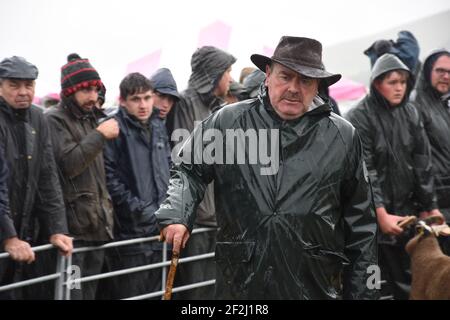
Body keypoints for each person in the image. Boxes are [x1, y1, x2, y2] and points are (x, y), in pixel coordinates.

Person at [156, 36, 378, 300]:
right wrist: (178, 214)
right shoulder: (228, 122)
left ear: (317, 85)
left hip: (314, 283)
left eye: (305, 80)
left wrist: (365, 295)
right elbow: (188, 168)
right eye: (286, 76)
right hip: (241, 284)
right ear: (268, 75)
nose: (294, 88)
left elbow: (362, 225)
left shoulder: (343, 136)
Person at [345, 53, 443, 300]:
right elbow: (366, 170)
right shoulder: (360, 116)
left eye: (403, 82)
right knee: (376, 285)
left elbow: (422, 161)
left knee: (411, 280)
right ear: (377, 83)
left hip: (407, 210)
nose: (399, 88)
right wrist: (379, 213)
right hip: (371, 217)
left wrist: (428, 206)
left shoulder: (411, 112)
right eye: (392, 82)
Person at [45, 53, 119, 300]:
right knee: (73, 295)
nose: (92, 96)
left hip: (97, 228)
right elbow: (69, 164)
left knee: (89, 294)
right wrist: (99, 135)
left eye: (95, 89)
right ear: (71, 91)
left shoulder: (91, 117)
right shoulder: (54, 119)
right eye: (86, 89)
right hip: (74, 234)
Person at [0, 56, 72, 299]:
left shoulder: (38, 118)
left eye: (29, 85)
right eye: (14, 85)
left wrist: (57, 229)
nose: (23, 92)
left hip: (25, 235)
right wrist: (8, 237)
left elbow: (47, 177)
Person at [168, 46, 236, 299]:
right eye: (227, 71)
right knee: (194, 294)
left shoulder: (218, 109)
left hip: (217, 219)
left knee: (214, 291)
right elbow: (183, 161)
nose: (230, 77)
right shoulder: (185, 104)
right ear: (214, 73)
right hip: (194, 221)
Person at [103, 73, 171, 299]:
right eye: (136, 99)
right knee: (131, 293)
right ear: (122, 101)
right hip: (130, 231)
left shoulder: (158, 125)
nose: (143, 105)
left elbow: (167, 169)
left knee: (156, 293)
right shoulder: (114, 128)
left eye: (147, 98)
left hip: (159, 228)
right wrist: (140, 209)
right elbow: (109, 178)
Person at [412, 49, 450, 254]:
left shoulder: (443, 103)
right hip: (435, 201)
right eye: (440, 71)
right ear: (428, 72)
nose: (446, 76)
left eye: (449, 72)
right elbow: (418, 159)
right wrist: (426, 203)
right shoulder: (416, 105)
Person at [148, 68, 180, 142]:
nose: (166, 105)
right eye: (161, 96)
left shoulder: (170, 125)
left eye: (171, 99)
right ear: (149, 94)